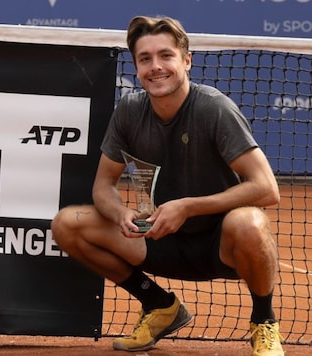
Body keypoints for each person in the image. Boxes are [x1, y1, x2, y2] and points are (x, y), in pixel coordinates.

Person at [51, 15, 284, 356]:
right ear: (136, 65)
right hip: (158, 238)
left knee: (250, 222)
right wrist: (120, 213)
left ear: (186, 60)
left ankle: (264, 321)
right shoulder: (130, 110)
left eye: (166, 56)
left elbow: (267, 189)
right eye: (145, 59)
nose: (155, 67)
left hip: (221, 245)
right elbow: (104, 185)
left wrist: (187, 206)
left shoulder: (214, 109)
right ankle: (159, 305)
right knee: (68, 225)